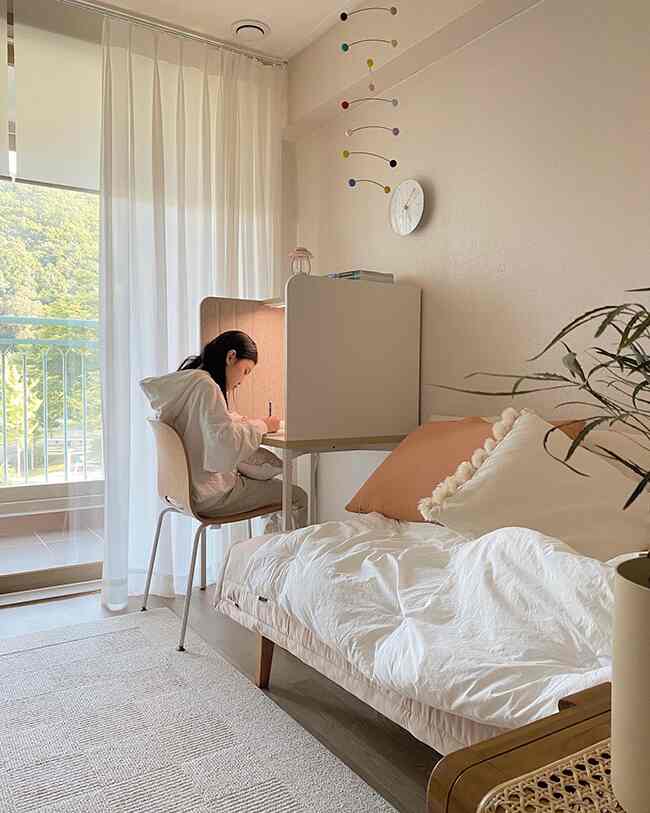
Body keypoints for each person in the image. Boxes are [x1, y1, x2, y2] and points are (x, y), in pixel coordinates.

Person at [140, 330, 307, 529]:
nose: (242, 381)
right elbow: (224, 444)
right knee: (297, 496)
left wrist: (241, 422)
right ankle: (283, 556)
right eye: (245, 371)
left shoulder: (188, 383)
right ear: (231, 356)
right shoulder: (207, 386)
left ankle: (269, 548)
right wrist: (263, 425)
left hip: (179, 491)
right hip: (210, 494)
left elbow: (205, 428)